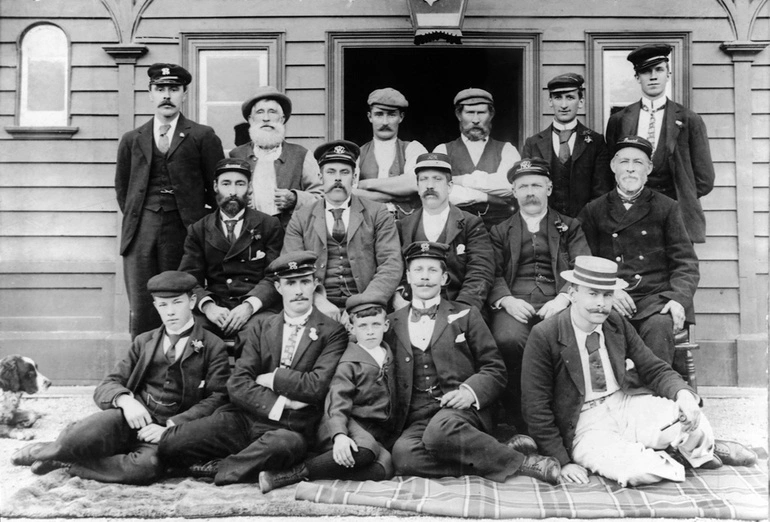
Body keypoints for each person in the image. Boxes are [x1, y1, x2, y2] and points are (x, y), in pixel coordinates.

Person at [522, 256, 757, 487]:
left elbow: (653, 368)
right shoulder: (546, 335)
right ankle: (674, 455)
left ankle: (677, 449)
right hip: (586, 422)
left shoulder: (614, 322)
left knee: (696, 422)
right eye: (592, 294)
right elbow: (535, 407)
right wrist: (562, 461)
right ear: (572, 294)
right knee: (637, 472)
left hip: (624, 404)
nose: (601, 303)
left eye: (607, 294)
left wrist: (684, 395)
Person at [10, 271, 230, 483]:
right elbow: (108, 385)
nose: (170, 311)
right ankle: (46, 451)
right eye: (163, 304)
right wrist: (126, 402)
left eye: (177, 303)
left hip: (167, 430)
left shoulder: (212, 345)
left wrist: (172, 426)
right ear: (155, 306)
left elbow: (217, 398)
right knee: (82, 434)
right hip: (130, 418)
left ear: (192, 302)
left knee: (147, 467)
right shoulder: (144, 342)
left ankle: (69, 463)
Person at [157, 252, 348, 486]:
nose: (298, 290)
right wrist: (283, 402)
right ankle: (243, 464)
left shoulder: (332, 332)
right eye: (290, 283)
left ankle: (220, 468)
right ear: (278, 287)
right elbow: (237, 383)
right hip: (246, 417)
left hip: (290, 425)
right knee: (171, 442)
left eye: (305, 282)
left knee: (287, 446)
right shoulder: (261, 326)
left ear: (315, 285)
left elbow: (315, 386)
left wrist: (271, 378)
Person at [387, 241, 561, 485]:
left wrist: (469, 392)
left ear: (445, 277)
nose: (425, 277)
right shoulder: (391, 323)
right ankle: (497, 453)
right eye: (418, 270)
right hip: (419, 417)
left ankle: (526, 464)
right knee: (404, 456)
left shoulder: (466, 315)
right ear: (407, 276)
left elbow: (495, 369)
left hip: (463, 412)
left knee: (440, 431)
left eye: (432, 270)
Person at [115, 63, 225, 338]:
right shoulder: (132, 139)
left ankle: (184, 368)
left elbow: (216, 190)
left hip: (185, 232)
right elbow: (123, 190)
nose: (167, 95)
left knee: (183, 298)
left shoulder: (202, 136)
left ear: (184, 94)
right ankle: (144, 369)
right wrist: (143, 217)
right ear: (150, 94)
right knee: (143, 305)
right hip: (141, 233)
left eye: (174, 89)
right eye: (160, 89)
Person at [577, 136, 699, 365]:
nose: (630, 169)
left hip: (655, 299)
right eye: (624, 162)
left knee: (660, 326)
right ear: (613, 166)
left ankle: (655, 396)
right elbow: (583, 259)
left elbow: (685, 263)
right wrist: (609, 289)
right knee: (599, 323)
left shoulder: (667, 207)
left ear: (649, 169)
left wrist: (678, 299)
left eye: (638, 163)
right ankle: (612, 395)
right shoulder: (594, 210)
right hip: (611, 297)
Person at [488, 158, 590, 431]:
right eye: (523, 187)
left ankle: (560, 420)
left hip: (557, 301)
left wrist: (563, 299)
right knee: (507, 339)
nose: (530, 192)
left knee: (560, 342)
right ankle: (518, 421)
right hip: (514, 303)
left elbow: (583, 268)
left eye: (536, 185)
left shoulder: (570, 226)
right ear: (514, 191)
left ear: (549, 188)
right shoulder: (500, 230)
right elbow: (492, 272)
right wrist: (507, 300)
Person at [258, 293, 397, 493]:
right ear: (352, 328)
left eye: (375, 325)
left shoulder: (387, 353)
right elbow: (337, 401)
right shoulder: (349, 361)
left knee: (383, 468)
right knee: (365, 450)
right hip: (341, 422)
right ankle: (289, 474)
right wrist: (339, 435)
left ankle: (319, 465)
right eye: (363, 326)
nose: (370, 332)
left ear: (386, 325)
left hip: (370, 428)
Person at [282, 140, 403, 321]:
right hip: (315, 307)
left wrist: (363, 304)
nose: (337, 179)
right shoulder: (301, 217)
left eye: (344, 172)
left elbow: (391, 265)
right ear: (320, 177)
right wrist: (317, 300)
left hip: (368, 306)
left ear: (354, 178)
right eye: (331, 172)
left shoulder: (377, 213)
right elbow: (292, 268)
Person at [605, 43, 715, 243]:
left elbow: (705, 179)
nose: (653, 76)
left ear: (668, 73)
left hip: (676, 215)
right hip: (631, 214)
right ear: (637, 77)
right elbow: (610, 171)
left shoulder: (690, 120)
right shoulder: (619, 120)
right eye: (646, 71)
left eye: (659, 70)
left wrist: (679, 197)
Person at [178, 158, 284, 352]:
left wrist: (250, 306)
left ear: (249, 188)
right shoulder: (199, 229)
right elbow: (188, 279)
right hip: (217, 306)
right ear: (215, 187)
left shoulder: (269, 225)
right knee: (191, 334)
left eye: (240, 184)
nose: (233, 192)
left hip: (256, 308)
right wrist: (208, 306)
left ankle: (248, 382)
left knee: (259, 335)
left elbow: (274, 275)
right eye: (226, 184)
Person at [396, 152, 494, 311]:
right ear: (418, 186)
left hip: (459, 307)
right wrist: (399, 298)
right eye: (424, 179)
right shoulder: (403, 226)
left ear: (450, 186)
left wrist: (462, 310)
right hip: (413, 308)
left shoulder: (471, 224)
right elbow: (395, 270)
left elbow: (481, 272)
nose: (430, 186)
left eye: (437, 179)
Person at [229, 86, 322, 228]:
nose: (266, 118)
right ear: (251, 119)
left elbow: (321, 197)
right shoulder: (236, 156)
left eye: (272, 112)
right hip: (247, 234)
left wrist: (296, 199)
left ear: (282, 119)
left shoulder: (301, 155)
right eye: (260, 112)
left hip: (290, 236)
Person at [522, 73, 612, 217]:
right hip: (544, 227)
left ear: (581, 101)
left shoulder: (596, 142)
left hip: (584, 228)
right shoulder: (533, 143)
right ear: (550, 101)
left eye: (570, 97)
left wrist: (581, 224)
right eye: (558, 98)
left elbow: (601, 192)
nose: (564, 105)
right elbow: (527, 190)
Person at [433, 88, 521, 229]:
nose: (475, 120)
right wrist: (486, 197)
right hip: (455, 228)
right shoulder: (442, 151)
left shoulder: (507, 149)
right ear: (459, 115)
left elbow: (510, 186)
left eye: (481, 113)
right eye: (469, 113)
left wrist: (461, 180)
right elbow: (439, 191)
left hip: (499, 230)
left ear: (491, 114)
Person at [354, 88, 428, 220]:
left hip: (407, 225)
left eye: (391, 114)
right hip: (368, 224)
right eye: (379, 114)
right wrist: (400, 194)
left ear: (401, 117)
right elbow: (350, 193)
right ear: (370, 117)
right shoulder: (357, 154)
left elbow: (414, 183)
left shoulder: (413, 148)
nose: (385, 122)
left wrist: (365, 184)